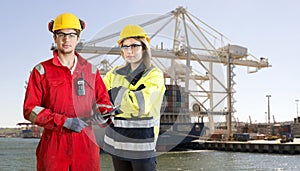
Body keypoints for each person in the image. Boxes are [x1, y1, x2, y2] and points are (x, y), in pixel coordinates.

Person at [23, 13, 113, 171]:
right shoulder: (41, 71)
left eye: (72, 35)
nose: (66, 40)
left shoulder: (91, 71)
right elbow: (30, 109)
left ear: (78, 38)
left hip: (86, 143)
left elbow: (103, 101)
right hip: (53, 144)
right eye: (61, 34)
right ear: (54, 37)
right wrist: (64, 121)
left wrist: (107, 114)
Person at [102, 24, 166, 171]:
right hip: (115, 145)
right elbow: (99, 99)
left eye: (134, 46)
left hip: (141, 148)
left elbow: (138, 105)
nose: (129, 51)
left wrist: (112, 96)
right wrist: (122, 96)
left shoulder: (154, 74)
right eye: (125, 47)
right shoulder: (114, 73)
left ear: (144, 47)